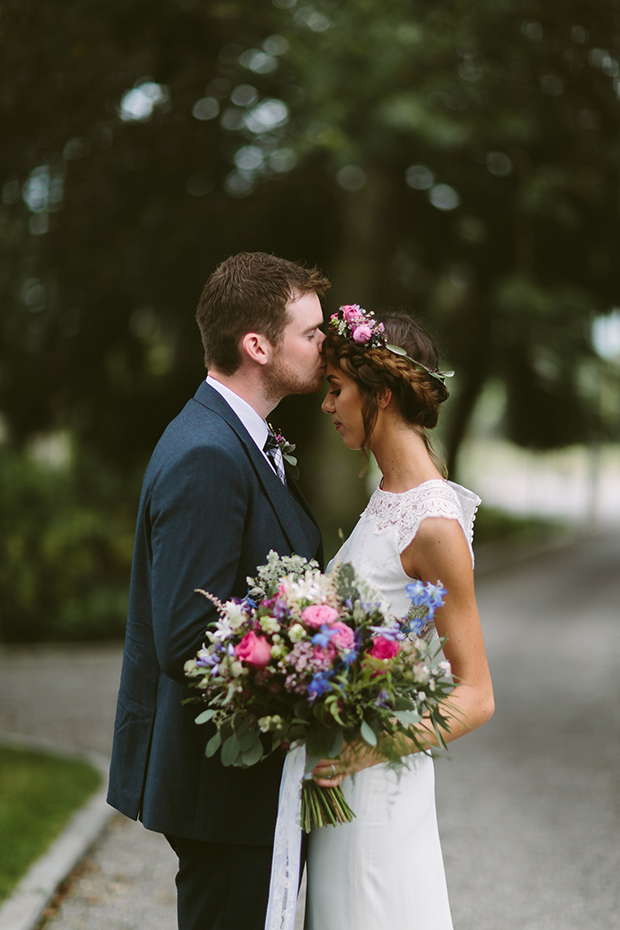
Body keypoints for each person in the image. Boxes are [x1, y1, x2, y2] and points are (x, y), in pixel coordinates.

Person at [106, 252, 329, 930]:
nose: (327, 345)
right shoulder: (208, 452)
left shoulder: (240, 438)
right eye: (312, 333)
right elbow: (187, 636)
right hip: (224, 788)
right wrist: (315, 669)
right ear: (257, 345)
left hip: (244, 788)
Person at [306, 307, 495, 930]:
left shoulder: (433, 523)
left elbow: (476, 695)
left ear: (380, 396)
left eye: (337, 390)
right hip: (343, 776)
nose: (328, 405)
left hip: (378, 786)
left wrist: (371, 750)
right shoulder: (386, 492)